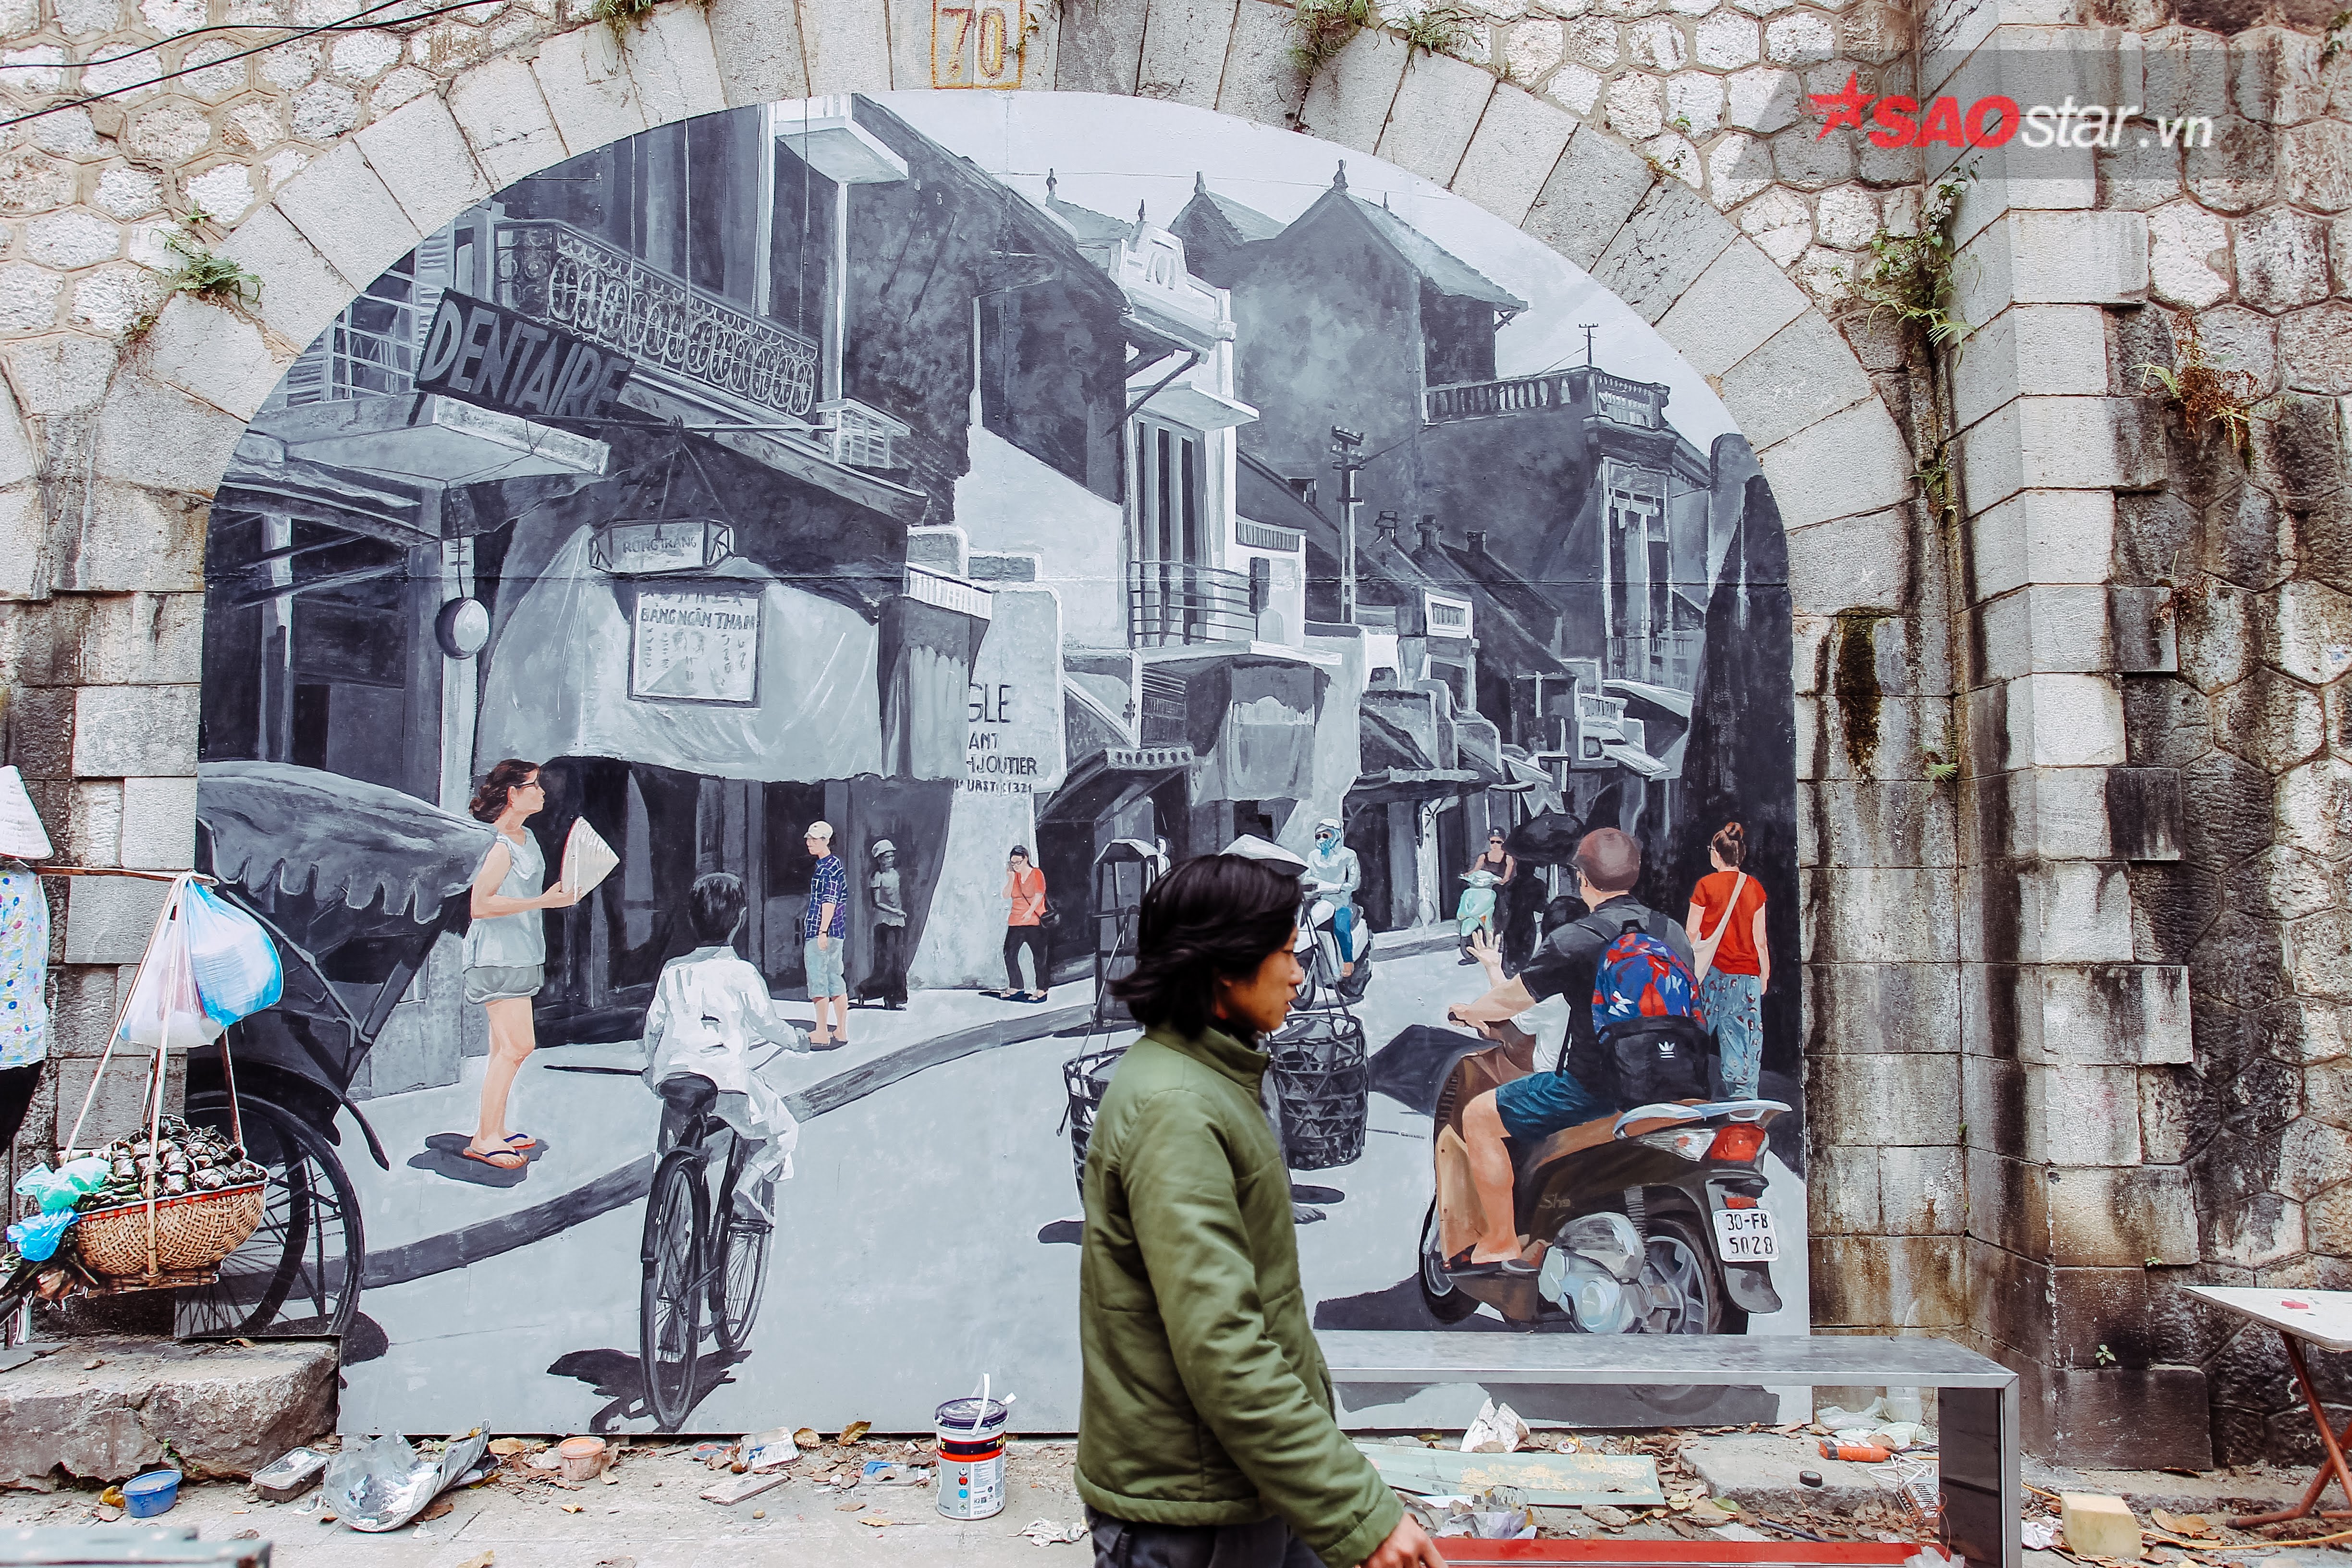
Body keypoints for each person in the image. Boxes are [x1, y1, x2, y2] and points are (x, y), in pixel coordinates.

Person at [1078, 854, 1444, 1568]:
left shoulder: (1214, 1076)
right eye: (1285, 954)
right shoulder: (1176, 1111)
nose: (1300, 974)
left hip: (1245, 1486)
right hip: (1191, 1517)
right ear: (1225, 968)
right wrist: (1358, 1512)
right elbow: (1223, 1345)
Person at [1443, 827, 1696, 1270]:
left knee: (1480, 1117)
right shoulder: (1670, 932)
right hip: (1680, 1084)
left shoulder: (1577, 938)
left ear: (1582, 880)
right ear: (1635, 874)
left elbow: (1513, 1000)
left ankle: (1501, 1240)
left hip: (1596, 1090)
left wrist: (1470, 1011)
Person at [641, 872, 808, 1221]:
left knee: (671, 1147)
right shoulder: (742, 973)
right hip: (726, 1084)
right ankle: (746, 1186)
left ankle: (670, 1218)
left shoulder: (673, 970)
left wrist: (653, 1068)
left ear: (691, 919)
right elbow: (768, 1025)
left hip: (675, 1078)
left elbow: (654, 1028)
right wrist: (798, 1040)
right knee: (783, 1131)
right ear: (741, 919)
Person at [461, 760, 578, 1174]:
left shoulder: (527, 838)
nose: (543, 793)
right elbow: (480, 905)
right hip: (497, 955)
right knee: (518, 1046)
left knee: (502, 1048)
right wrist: (543, 901)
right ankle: (484, 1140)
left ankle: (494, 1128)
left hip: (523, 952)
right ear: (513, 794)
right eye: (534, 786)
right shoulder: (499, 845)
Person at [1687, 821, 1769, 1100]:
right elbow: (1760, 940)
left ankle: (1691, 1094)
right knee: (1742, 1041)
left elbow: (1692, 932)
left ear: (1717, 854)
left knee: (1696, 1035)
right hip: (1746, 976)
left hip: (1711, 974)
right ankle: (1742, 1102)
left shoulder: (1705, 885)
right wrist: (1764, 974)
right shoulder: (1754, 887)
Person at [804, 821, 849, 1046]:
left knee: (818, 981)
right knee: (835, 979)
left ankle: (822, 1031)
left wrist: (822, 931)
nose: (809, 843)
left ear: (826, 841)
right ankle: (841, 1030)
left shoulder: (826, 869)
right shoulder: (834, 864)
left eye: (814, 839)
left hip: (821, 931)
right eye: (808, 839)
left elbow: (829, 902)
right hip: (836, 932)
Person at [855, 839, 909, 1010]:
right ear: (879, 859)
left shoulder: (895, 874)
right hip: (883, 923)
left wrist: (898, 914)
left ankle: (894, 999)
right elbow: (876, 903)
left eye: (892, 856)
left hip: (897, 922)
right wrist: (895, 911)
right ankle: (865, 990)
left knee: (898, 962)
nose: (890, 860)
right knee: (886, 963)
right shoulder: (877, 876)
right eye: (886, 857)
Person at [1304, 818, 1360, 977]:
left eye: (1326, 836)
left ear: (1335, 836)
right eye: (1318, 836)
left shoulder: (1348, 855)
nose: (1321, 839)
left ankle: (1348, 962)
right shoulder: (1313, 856)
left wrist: (1344, 887)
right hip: (1320, 901)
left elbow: (1355, 882)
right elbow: (1308, 878)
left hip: (1341, 902)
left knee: (1341, 928)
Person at [993, 845, 1049, 1003]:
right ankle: (1016, 986)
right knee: (1009, 954)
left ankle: (1042, 989)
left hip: (1035, 922)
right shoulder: (1015, 876)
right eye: (1013, 863)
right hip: (1016, 922)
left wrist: (1030, 912)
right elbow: (1006, 895)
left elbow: (1039, 895)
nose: (1016, 866)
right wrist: (1011, 878)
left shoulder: (1036, 874)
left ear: (1026, 859)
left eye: (1018, 862)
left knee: (1039, 957)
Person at [1460, 830, 1515, 964]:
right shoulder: (1483, 857)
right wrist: (1467, 875)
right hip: (1484, 888)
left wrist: (1501, 881)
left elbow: (1507, 877)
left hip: (1499, 889)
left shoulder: (1508, 858)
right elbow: (1475, 871)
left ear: (1503, 842)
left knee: (1500, 913)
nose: (1495, 845)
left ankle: (1499, 940)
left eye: (1499, 842)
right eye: (1493, 842)